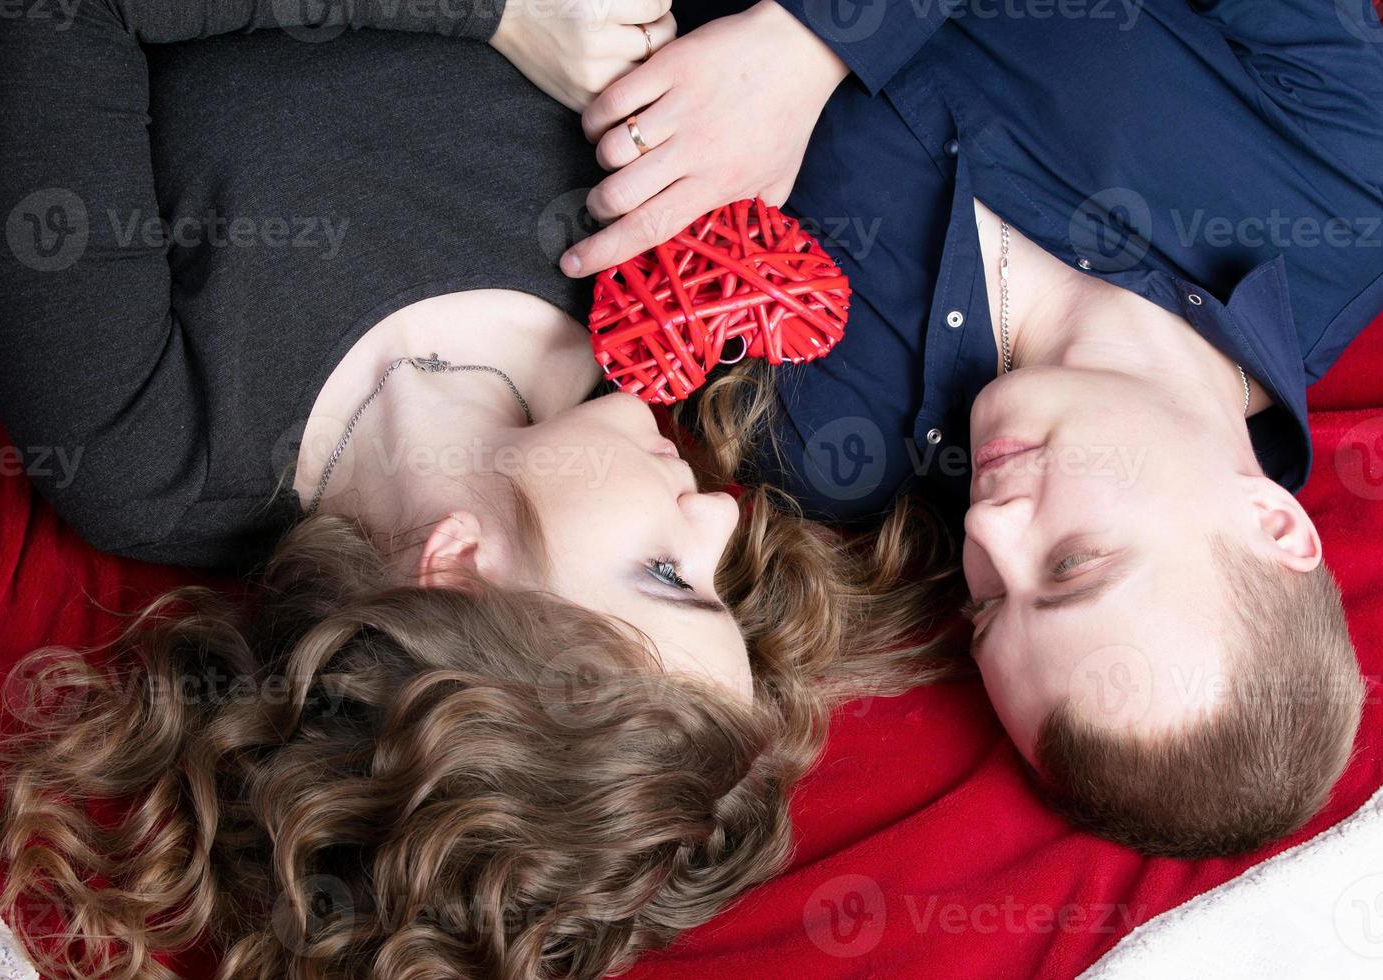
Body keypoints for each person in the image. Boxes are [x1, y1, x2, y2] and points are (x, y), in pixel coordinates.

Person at [0, 2, 966, 978]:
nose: (723, 512)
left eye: (664, 573)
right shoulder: (646, 305)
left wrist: (495, 10)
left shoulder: (143, 444)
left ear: (458, 569)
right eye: (721, 584)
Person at [569, 0, 1382, 857]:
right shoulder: (1346, 182)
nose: (988, 528)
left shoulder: (821, 439)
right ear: (1273, 525)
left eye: (989, 602)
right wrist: (815, 37)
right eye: (1073, 565)